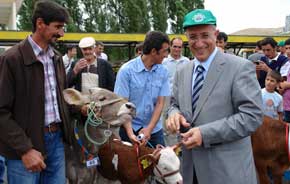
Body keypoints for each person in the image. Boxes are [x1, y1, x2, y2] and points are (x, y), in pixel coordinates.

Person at [166, 9, 263, 184]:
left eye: (205, 35)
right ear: (187, 37)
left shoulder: (240, 67)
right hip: (189, 170)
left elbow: (252, 117)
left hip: (227, 172)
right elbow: (174, 104)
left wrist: (205, 134)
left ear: (216, 34)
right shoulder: (182, 71)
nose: (199, 42)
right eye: (193, 37)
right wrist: (173, 114)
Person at [0, 1, 71, 184]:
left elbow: (58, 101)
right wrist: (25, 149)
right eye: (57, 27)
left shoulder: (56, 59)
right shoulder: (11, 59)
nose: (62, 34)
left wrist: (83, 109)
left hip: (56, 143)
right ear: (40, 24)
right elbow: (1, 112)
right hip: (24, 147)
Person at [114, 31, 170, 148]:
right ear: (154, 51)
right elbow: (123, 105)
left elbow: (160, 103)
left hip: (154, 130)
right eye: (165, 51)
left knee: (161, 161)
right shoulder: (126, 71)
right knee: (131, 165)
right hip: (130, 128)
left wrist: (149, 129)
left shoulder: (163, 72)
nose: (166, 55)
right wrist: (130, 134)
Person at [162, 37, 189, 145]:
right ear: (170, 46)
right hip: (166, 97)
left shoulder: (186, 62)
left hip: (181, 97)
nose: (177, 49)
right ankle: (166, 146)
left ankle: (180, 145)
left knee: (180, 120)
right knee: (165, 121)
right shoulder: (164, 62)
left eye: (179, 47)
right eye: (175, 46)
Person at [278, 38, 290, 123]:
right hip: (286, 105)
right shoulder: (288, 64)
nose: (288, 51)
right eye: (286, 48)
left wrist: (287, 85)